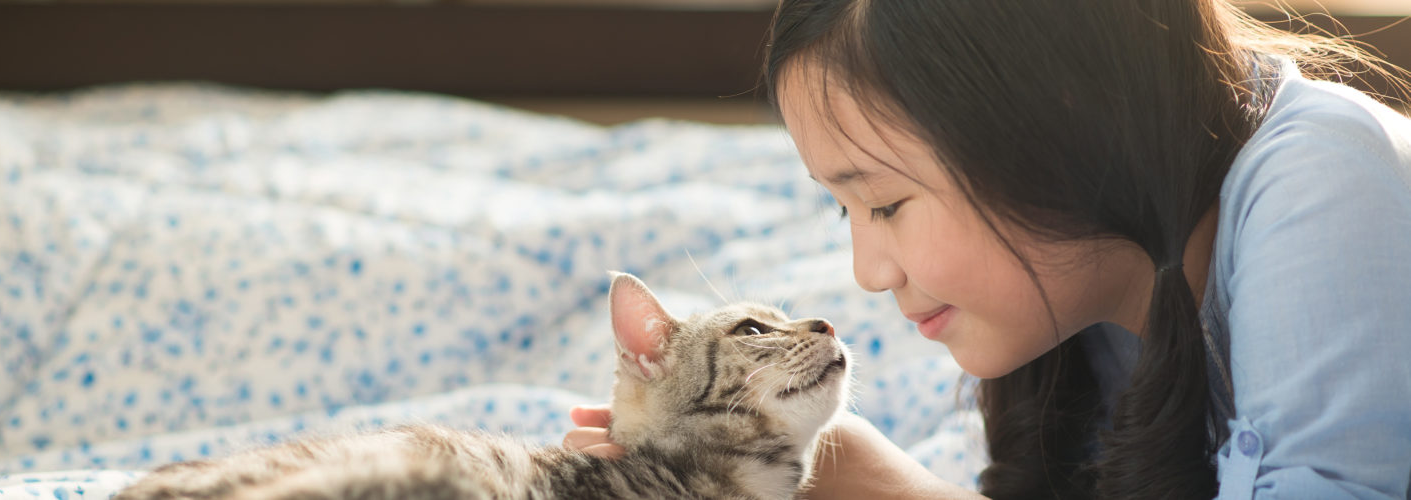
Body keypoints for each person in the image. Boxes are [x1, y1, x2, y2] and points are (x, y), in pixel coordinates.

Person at [566, 0, 1411, 498]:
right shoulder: (1090, 297)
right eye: (843, 213)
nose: (869, 272)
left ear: (1059, 123)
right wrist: (858, 474)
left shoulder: (1326, 182)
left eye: (887, 203)